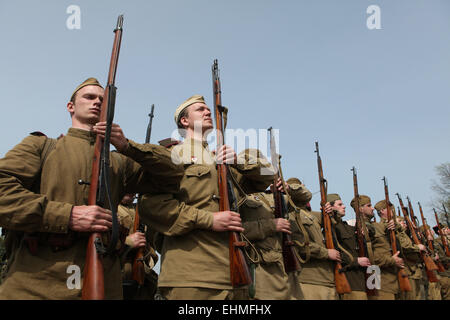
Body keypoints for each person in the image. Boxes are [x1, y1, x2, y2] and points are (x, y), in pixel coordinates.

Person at [0, 78, 182, 299]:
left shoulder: (119, 161)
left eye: (103, 100)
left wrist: (128, 146)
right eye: (89, 97)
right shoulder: (41, 147)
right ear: (71, 106)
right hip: (37, 285)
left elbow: (175, 175)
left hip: (105, 285)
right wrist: (66, 215)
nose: (97, 102)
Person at [132, 95, 274, 300]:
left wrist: (238, 161)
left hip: (234, 275)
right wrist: (209, 220)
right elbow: (151, 206)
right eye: (200, 109)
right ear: (184, 121)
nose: (207, 112)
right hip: (192, 276)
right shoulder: (173, 155)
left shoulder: (222, 160)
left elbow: (269, 176)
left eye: (208, 109)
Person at [239, 178, 305, 300]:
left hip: (285, 267)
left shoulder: (276, 196)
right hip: (262, 268)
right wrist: (271, 225)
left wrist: (287, 188)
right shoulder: (241, 194)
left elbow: (304, 197)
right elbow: (237, 229)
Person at [293, 186, 339, 300]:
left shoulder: (310, 214)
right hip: (310, 280)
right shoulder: (291, 215)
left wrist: (330, 212)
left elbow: (333, 223)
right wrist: (326, 253)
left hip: (327, 278)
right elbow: (300, 245)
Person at [371, 200, 421, 300]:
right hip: (392, 273)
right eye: (389, 208)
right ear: (382, 211)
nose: (392, 210)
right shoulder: (381, 227)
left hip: (402, 270)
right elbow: (405, 245)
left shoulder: (395, 227)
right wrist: (417, 248)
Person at [325, 194, 371, 300]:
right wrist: (356, 261)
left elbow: (372, 231)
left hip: (365, 280)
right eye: (340, 204)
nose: (344, 206)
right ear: (330, 207)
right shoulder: (331, 228)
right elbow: (333, 254)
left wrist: (367, 230)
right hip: (350, 282)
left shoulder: (347, 226)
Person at [118, 193, 159, 300]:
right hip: (116, 279)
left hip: (142, 283)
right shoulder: (106, 208)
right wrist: (128, 242)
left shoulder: (142, 211)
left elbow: (154, 252)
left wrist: (144, 253)